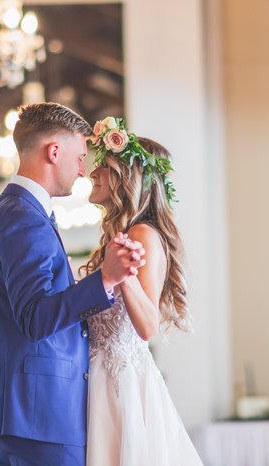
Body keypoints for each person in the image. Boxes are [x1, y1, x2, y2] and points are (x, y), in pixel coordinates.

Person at [0, 103, 146, 466]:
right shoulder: (24, 219)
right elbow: (34, 317)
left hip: (20, 410)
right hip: (39, 411)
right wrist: (106, 278)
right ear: (53, 152)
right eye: (80, 157)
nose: (83, 170)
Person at [84, 117, 203, 465]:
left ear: (126, 178)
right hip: (103, 378)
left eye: (103, 167)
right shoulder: (124, 236)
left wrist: (119, 274)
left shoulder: (142, 236)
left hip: (121, 385)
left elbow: (147, 326)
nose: (92, 173)